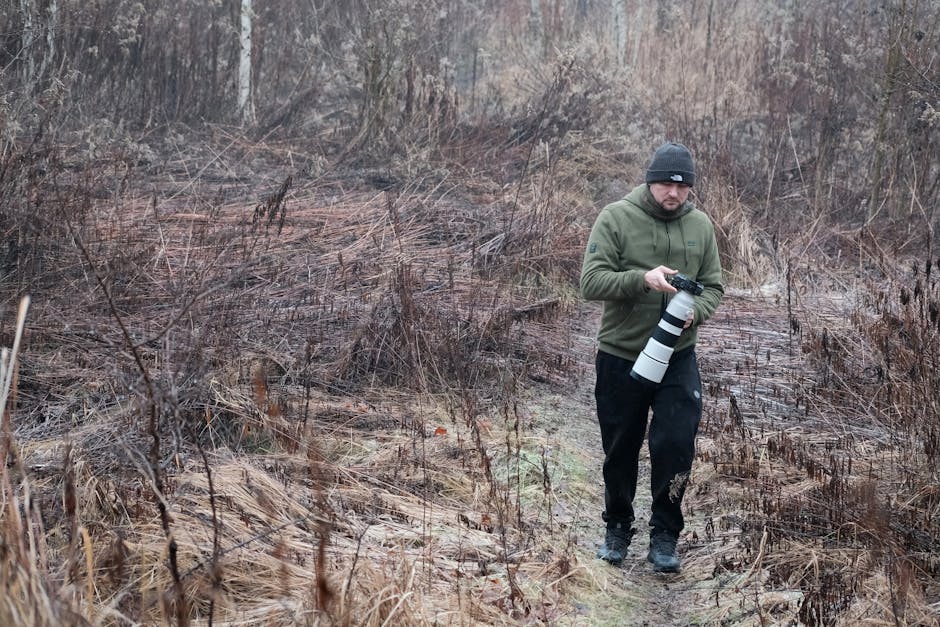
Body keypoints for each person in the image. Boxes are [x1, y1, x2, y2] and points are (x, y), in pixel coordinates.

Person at [579, 142, 724, 572]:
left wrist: (695, 312)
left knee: (675, 445)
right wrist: (641, 279)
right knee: (620, 447)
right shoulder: (616, 218)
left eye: (682, 187)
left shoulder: (700, 226)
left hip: (677, 356)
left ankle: (665, 535)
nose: (673, 194)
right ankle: (618, 527)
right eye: (664, 184)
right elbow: (590, 281)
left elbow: (714, 286)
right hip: (622, 355)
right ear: (649, 180)